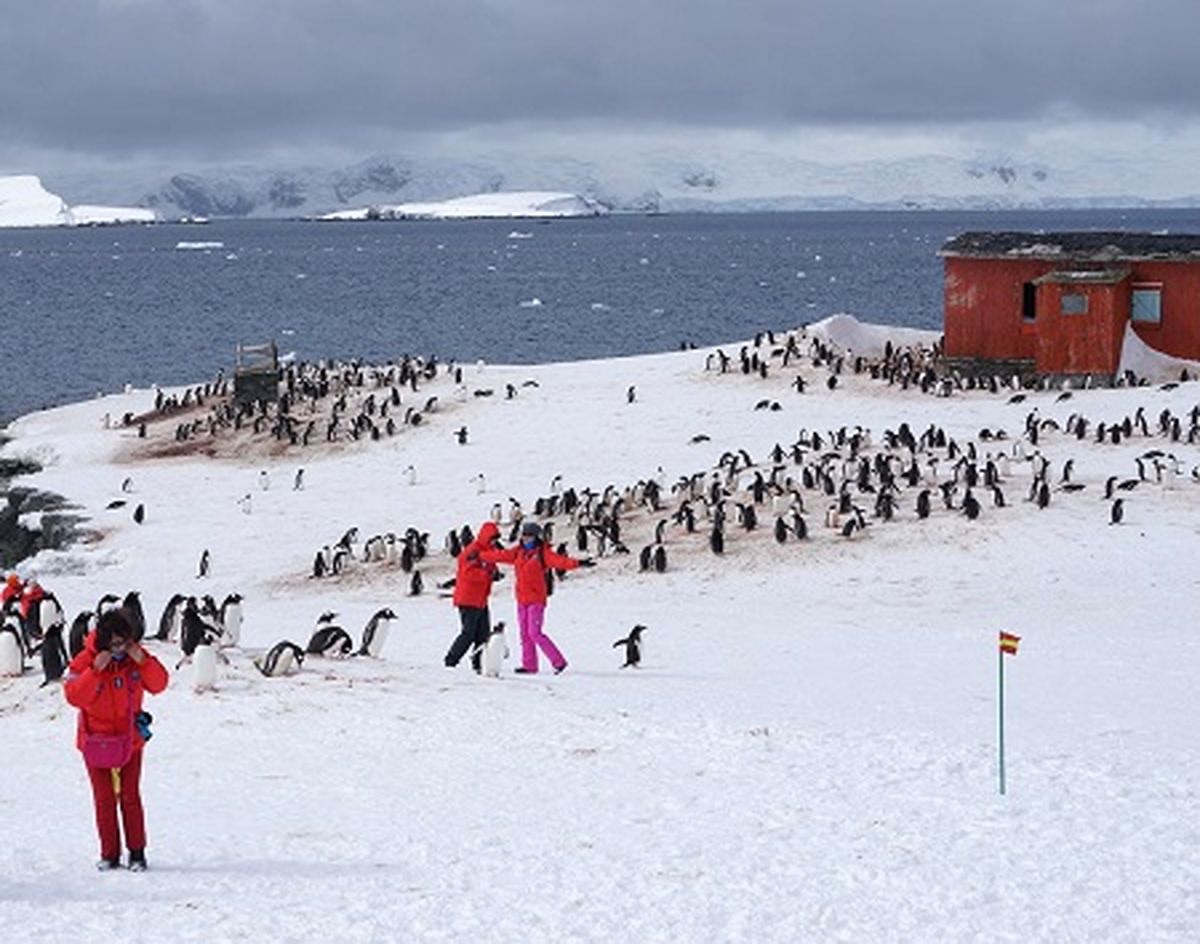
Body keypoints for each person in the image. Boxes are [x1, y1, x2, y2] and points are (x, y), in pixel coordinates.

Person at [64, 607, 169, 871]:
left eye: (123, 643)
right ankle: (109, 853)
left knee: (130, 796)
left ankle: (137, 852)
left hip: (129, 741)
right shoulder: (85, 660)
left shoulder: (136, 658)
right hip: (95, 742)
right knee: (104, 798)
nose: (119, 649)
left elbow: (159, 684)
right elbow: (74, 696)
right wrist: (94, 671)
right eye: (113, 644)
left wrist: (144, 660)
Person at [481, 521, 594, 674]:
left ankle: (559, 662)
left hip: (536, 599)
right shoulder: (518, 552)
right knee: (525, 634)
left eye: (529, 537)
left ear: (536, 537)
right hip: (521, 598)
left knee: (535, 633)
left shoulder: (542, 553)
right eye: (524, 536)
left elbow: (560, 561)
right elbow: (500, 555)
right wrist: (481, 555)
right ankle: (530, 665)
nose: (526, 539)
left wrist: (578, 563)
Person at [444, 521, 502, 672]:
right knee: (468, 633)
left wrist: (495, 574)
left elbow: (489, 568)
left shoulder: (489, 552)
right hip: (468, 598)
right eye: (493, 538)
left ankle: (479, 663)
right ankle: (451, 660)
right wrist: (489, 574)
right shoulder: (473, 551)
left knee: (483, 634)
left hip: (480, 599)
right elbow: (468, 573)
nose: (495, 542)